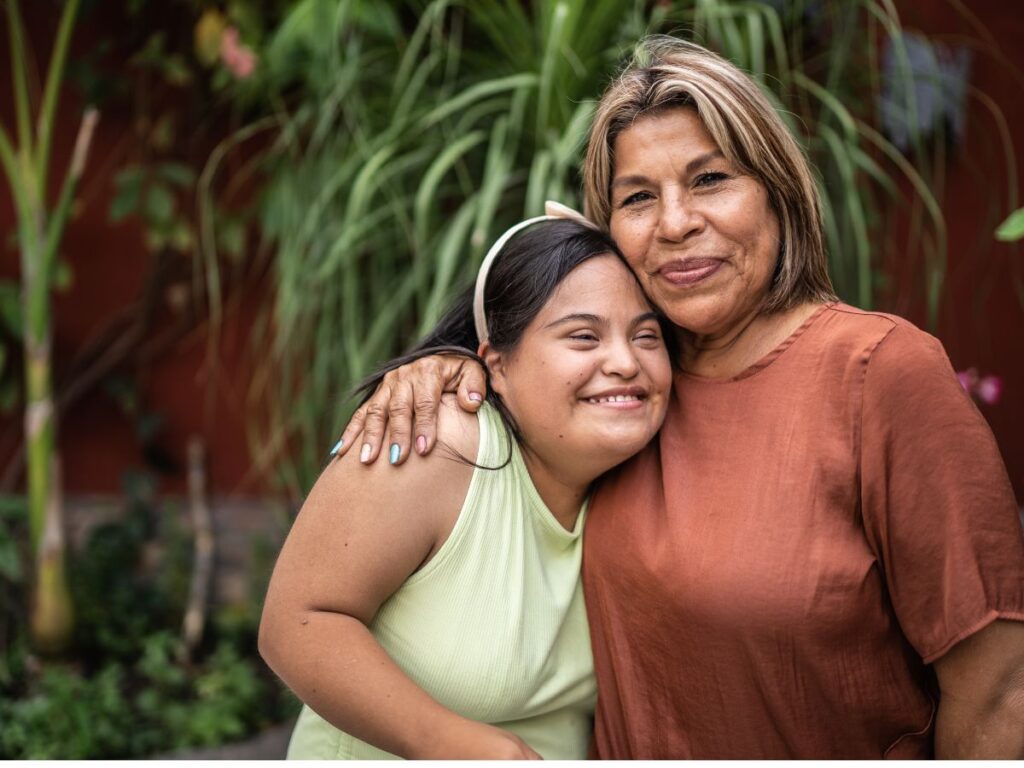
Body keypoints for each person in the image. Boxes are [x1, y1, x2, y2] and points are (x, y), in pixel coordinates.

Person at [333, 36, 1024, 759]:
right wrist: (445, 367)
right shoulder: (621, 391)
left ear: (778, 194)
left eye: (709, 180)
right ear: (608, 234)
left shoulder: (881, 373)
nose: (674, 223)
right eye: (638, 198)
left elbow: (1001, 685)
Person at [258, 211, 672, 759]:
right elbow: (298, 622)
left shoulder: (647, 469)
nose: (625, 361)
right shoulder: (436, 441)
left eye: (647, 335)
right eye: (582, 336)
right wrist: (450, 744)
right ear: (495, 366)